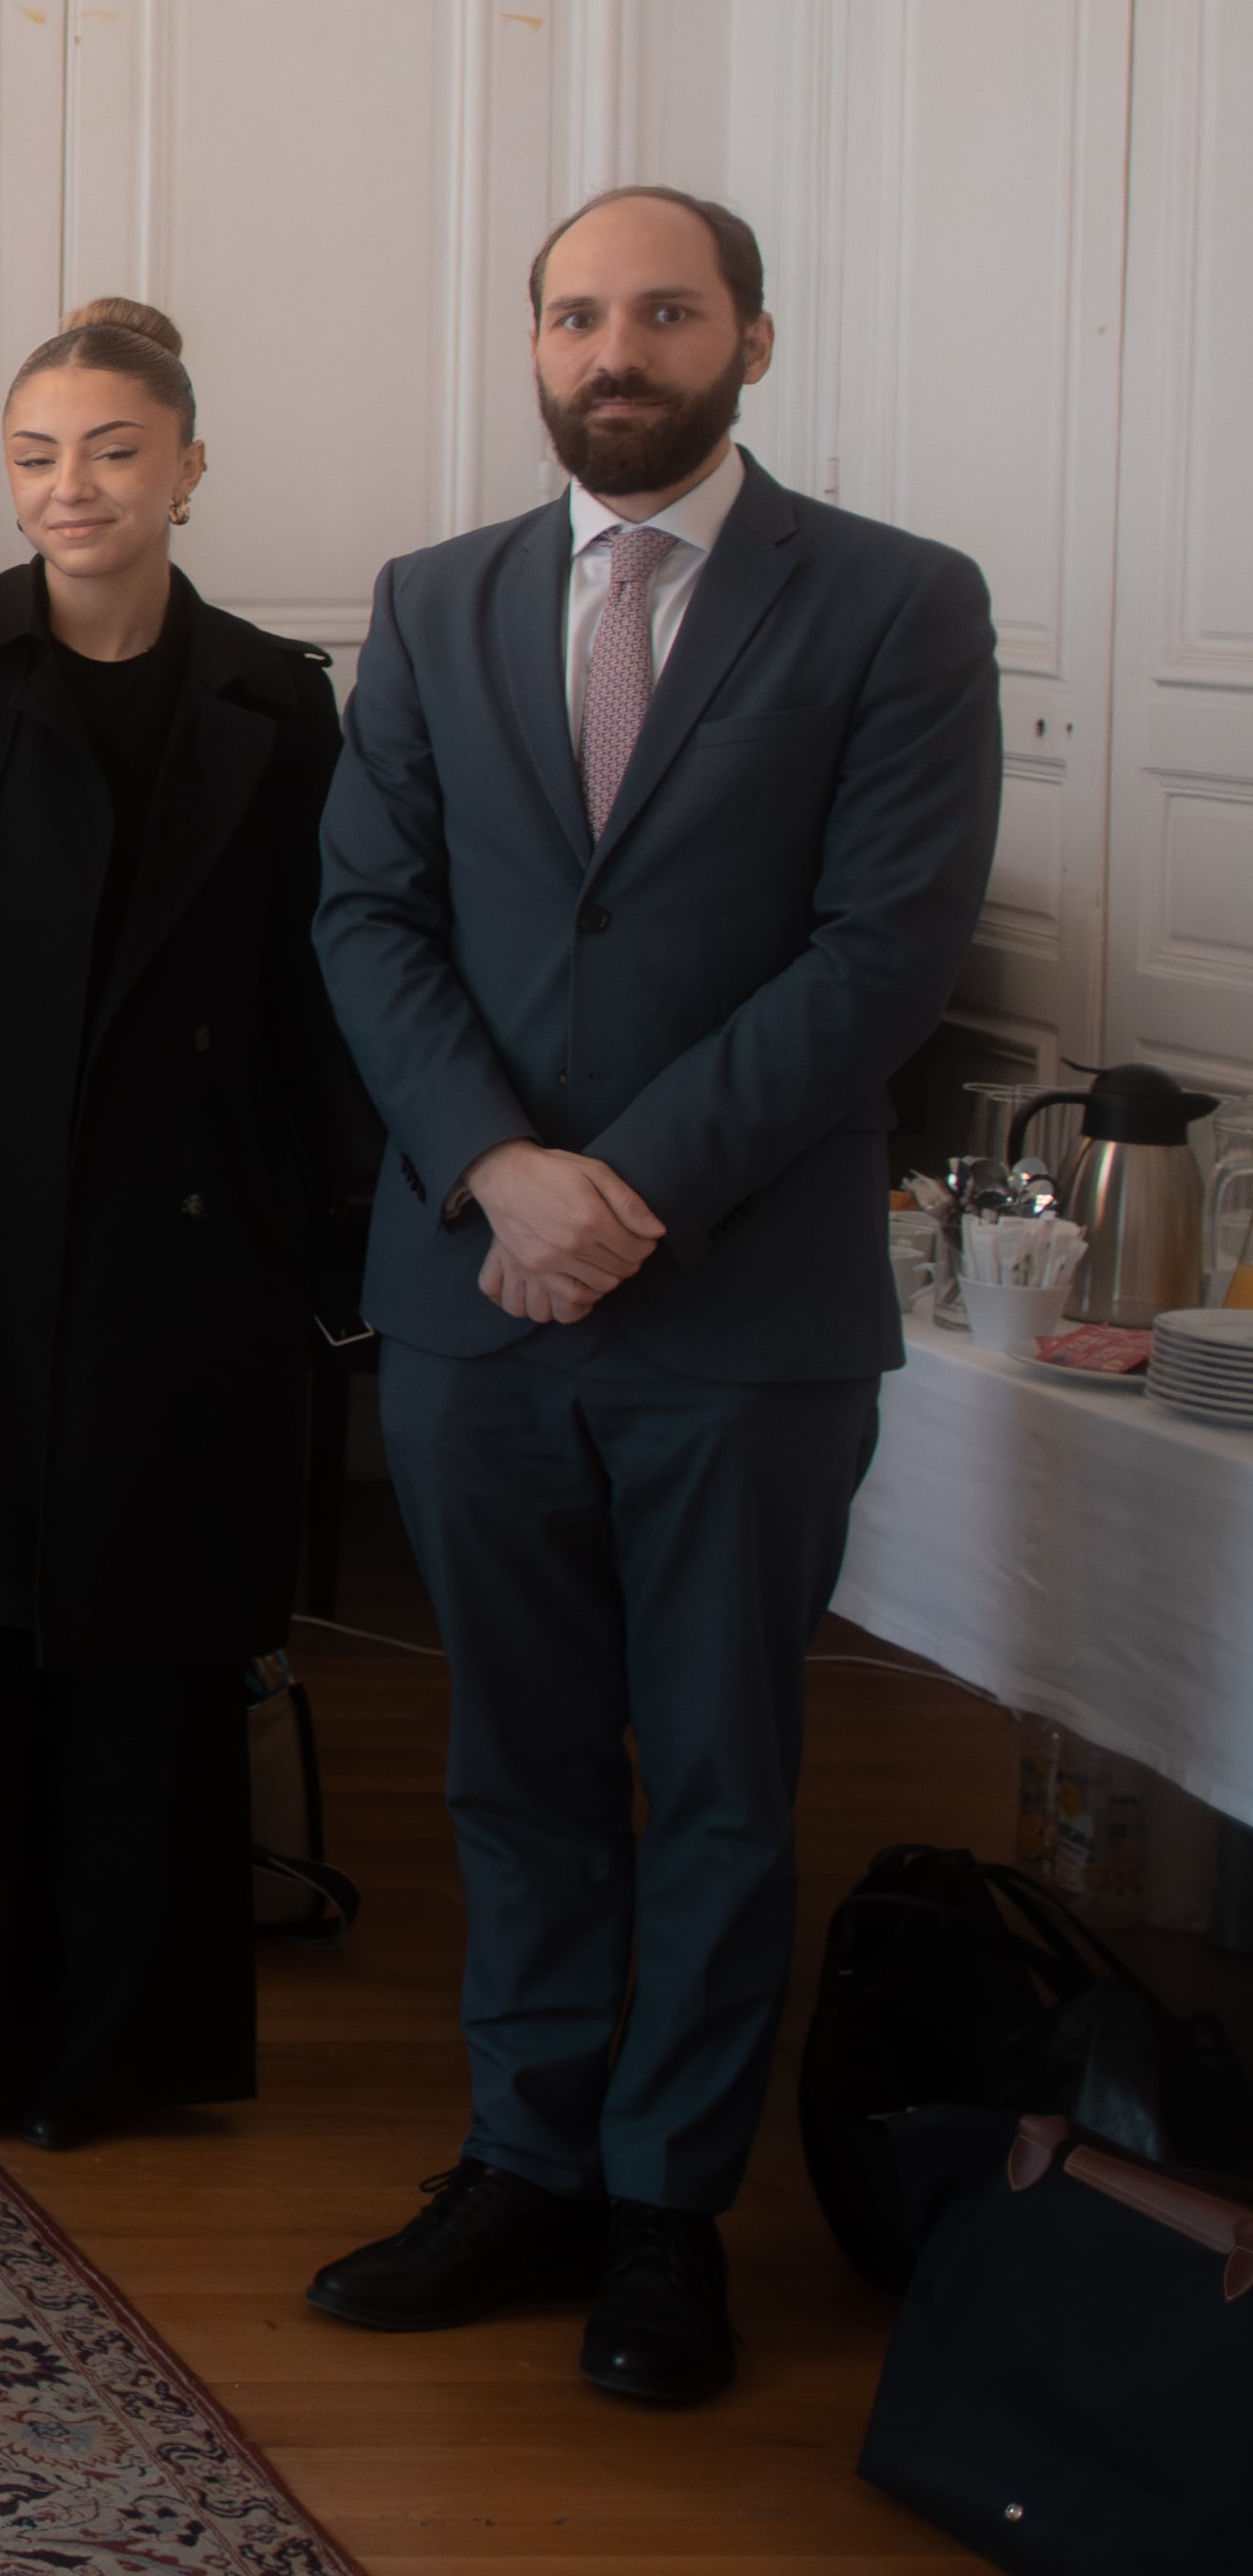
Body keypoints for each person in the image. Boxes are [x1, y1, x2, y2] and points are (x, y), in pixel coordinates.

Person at [302, 189, 998, 2410]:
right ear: (533, 345)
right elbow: (366, 918)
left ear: (751, 342)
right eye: (579, 313)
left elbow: (881, 951)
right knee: (508, 1772)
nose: (619, 348)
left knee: (712, 1773)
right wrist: (500, 1171)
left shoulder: (894, 600)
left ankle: (666, 2211)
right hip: (474, 1296)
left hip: (740, 1314)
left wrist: (630, 1190)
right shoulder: (434, 601)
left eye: (664, 312)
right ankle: (524, 2155)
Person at [0, 300, 371, 2148]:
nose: (72, 486)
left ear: (189, 468)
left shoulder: (277, 696)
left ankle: (129, 2053)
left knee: (156, 1660)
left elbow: (313, 995)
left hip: (182, 1252)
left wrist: (317, 1251)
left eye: (112, 449)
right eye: (36, 454)